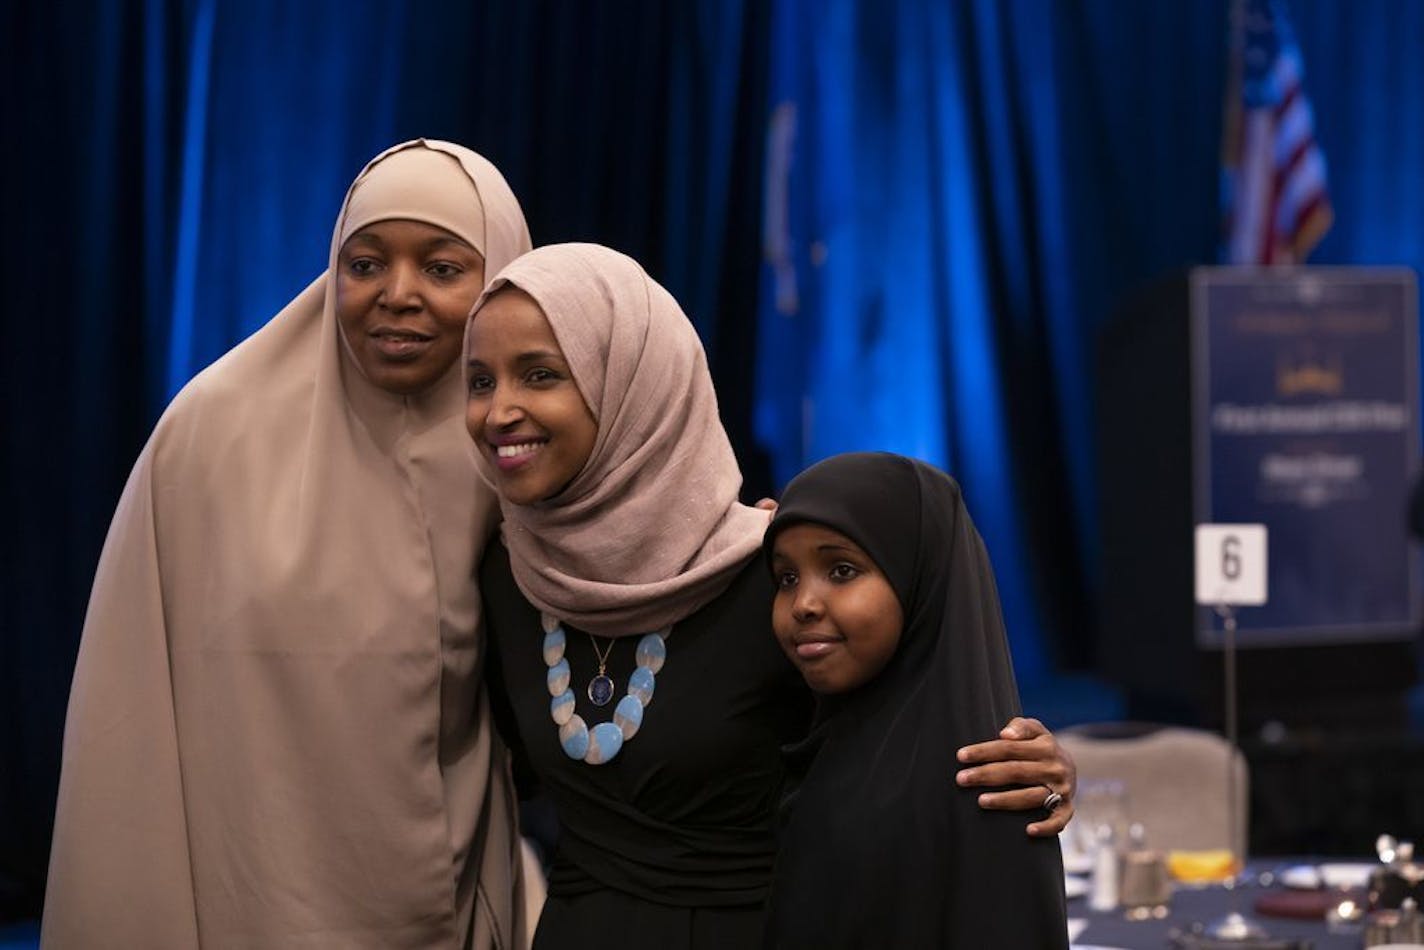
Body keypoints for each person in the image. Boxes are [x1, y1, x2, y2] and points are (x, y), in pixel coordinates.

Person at [465, 243, 1075, 949]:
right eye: (480, 381)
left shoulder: (774, 575)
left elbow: (911, 739)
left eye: (540, 374)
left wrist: (1042, 777)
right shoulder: (505, 577)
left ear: (631, 381)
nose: (499, 410)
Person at [44, 140, 534, 949]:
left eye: (443, 269)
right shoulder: (211, 435)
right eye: (365, 263)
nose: (397, 295)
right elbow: (127, 718)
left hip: (452, 892)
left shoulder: (516, 443)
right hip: (256, 899)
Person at [762, 452, 1069, 947]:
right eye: (786, 578)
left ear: (920, 580)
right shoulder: (807, 753)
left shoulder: (989, 790)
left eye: (841, 570)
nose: (804, 604)